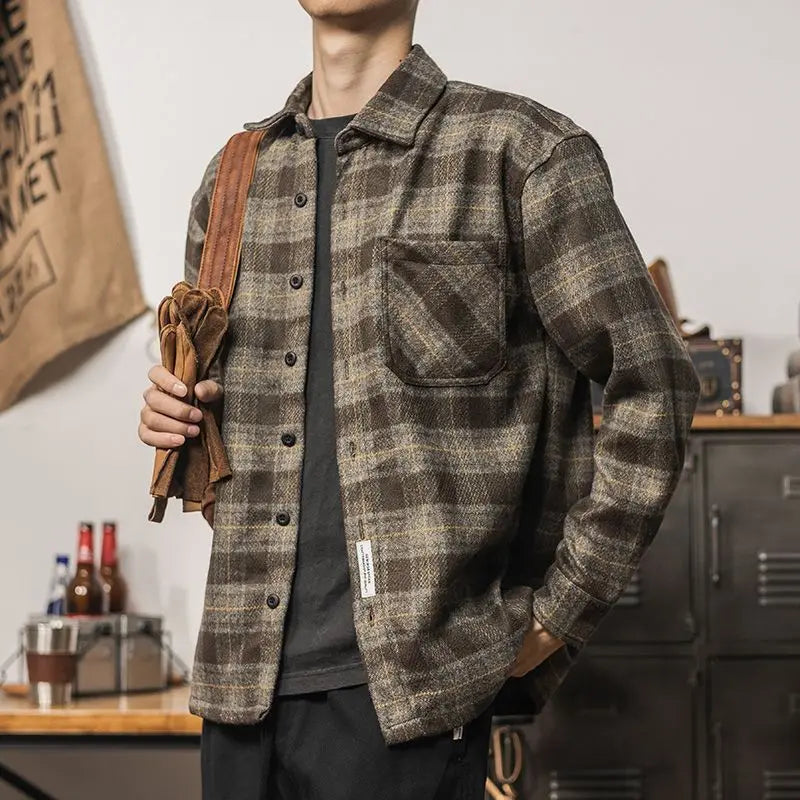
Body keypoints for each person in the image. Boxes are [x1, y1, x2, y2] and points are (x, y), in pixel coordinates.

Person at [138, 0, 702, 797]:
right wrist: (175, 422)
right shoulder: (233, 179)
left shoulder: (521, 154)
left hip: (413, 698)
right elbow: (232, 448)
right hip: (239, 684)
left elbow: (658, 384)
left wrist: (557, 615)